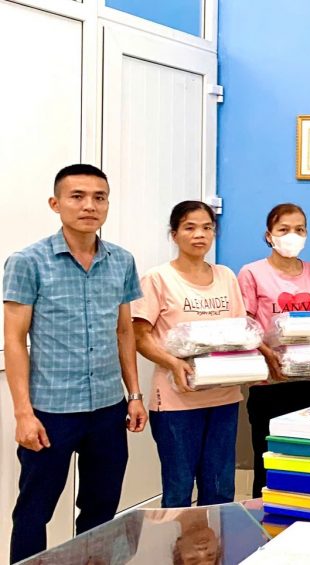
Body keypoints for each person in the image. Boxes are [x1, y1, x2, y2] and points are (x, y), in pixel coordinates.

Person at [3, 164, 146, 563]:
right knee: (34, 511)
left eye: (99, 198)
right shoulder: (28, 261)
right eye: (77, 197)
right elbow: (14, 340)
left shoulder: (121, 260)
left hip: (107, 407)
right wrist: (23, 413)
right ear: (56, 203)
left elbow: (124, 331)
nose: (89, 206)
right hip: (51, 410)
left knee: (101, 509)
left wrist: (134, 395)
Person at [132, 201, 247, 508]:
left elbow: (240, 330)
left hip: (223, 397)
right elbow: (139, 337)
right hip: (176, 400)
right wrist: (173, 362)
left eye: (207, 227)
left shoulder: (226, 276)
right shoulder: (158, 278)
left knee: (220, 489)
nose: (200, 235)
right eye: (190, 227)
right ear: (174, 234)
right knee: (179, 487)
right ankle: (178, 541)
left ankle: (216, 541)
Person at [238, 203, 310, 497]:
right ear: (269, 235)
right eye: (284, 229)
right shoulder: (252, 273)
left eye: (299, 229)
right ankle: (265, 515)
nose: (292, 235)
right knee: (270, 457)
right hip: (271, 380)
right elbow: (246, 325)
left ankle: (308, 514)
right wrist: (269, 355)